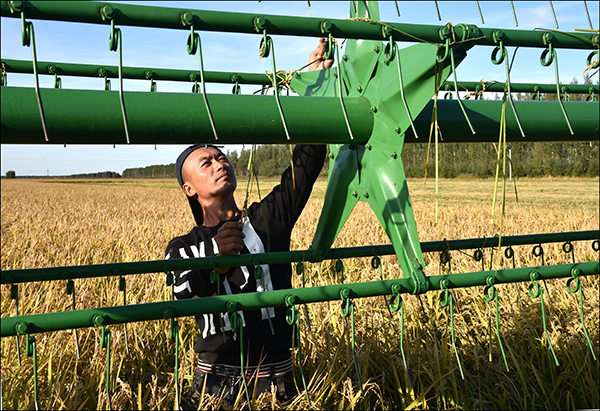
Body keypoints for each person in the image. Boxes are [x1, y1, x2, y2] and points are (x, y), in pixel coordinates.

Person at [165, 40, 333, 410]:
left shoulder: (267, 219)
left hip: (278, 380)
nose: (220, 163)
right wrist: (217, 263)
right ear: (188, 188)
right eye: (206, 163)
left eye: (221, 157)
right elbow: (186, 300)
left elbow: (309, 157)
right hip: (214, 382)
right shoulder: (182, 248)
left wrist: (315, 85)